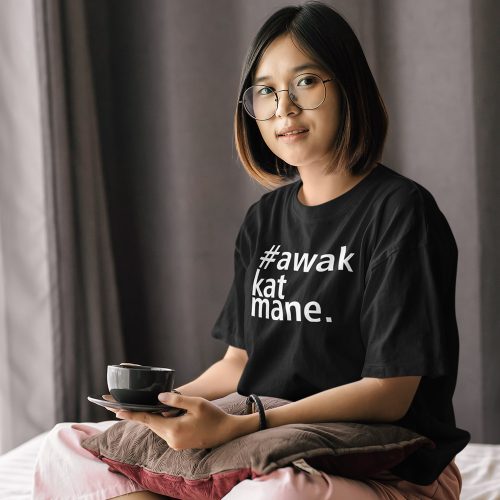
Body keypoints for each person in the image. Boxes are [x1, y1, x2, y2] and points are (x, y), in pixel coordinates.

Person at [33, 1, 470, 499]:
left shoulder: (401, 212)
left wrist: (243, 424)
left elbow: (389, 394)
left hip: (385, 467)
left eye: (305, 81)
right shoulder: (265, 219)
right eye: (265, 91)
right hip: (267, 445)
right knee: (66, 446)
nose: (283, 107)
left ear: (350, 86)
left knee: (275, 493)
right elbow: (237, 365)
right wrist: (159, 407)